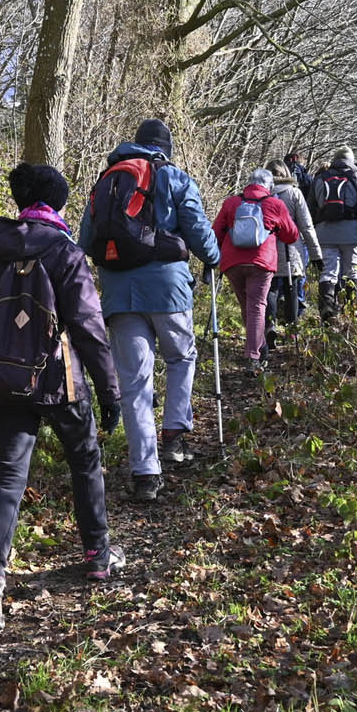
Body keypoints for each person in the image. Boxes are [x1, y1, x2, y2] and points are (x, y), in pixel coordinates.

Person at [0, 163, 125, 632]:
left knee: (7, 475)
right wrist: (109, 390)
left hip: (1, 382)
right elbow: (89, 328)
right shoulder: (65, 252)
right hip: (59, 380)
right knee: (85, 461)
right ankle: (97, 555)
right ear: (57, 203)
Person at [77, 118, 220, 501]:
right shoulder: (174, 178)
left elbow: (86, 240)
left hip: (119, 294)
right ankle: (173, 435)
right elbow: (197, 230)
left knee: (135, 382)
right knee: (181, 357)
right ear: (165, 149)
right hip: (168, 289)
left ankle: (145, 474)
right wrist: (213, 256)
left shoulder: (108, 179)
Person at [213, 169, 299, 368]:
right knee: (257, 306)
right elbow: (291, 235)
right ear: (269, 186)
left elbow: (216, 232)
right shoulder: (275, 204)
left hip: (233, 262)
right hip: (262, 262)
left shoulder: (231, 202)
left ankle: (258, 346)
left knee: (247, 305)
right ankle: (254, 355)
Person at [308, 147, 357, 327]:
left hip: (325, 234)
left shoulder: (320, 178)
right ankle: (350, 313)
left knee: (328, 272)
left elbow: (310, 209)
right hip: (352, 235)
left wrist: (312, 237)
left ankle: (327, 310)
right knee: (352, 273)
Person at [262, 159, 321, 353]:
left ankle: (270, 325)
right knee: (292, 289)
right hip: (291, 248)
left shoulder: (262, 193)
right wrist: (316, 254)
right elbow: (306, 225)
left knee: (270, 289)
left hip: (266, 249)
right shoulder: (294, 193)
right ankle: (292, 330)